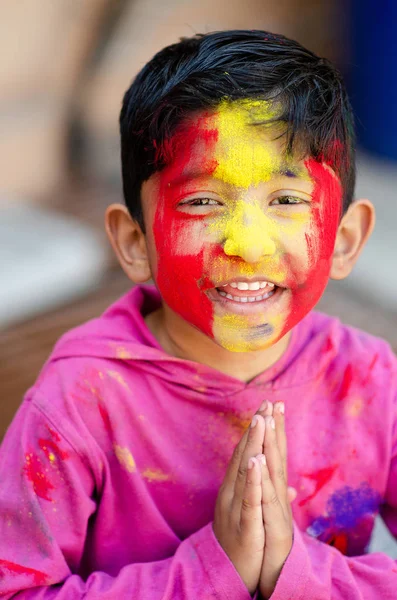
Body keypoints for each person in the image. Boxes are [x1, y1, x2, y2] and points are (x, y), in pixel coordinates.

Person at [0, 29, 395, 599]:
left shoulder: (371, 382)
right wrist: (213, 572)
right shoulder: (78, 402)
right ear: (135, 242)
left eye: (286, 201)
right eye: (203, 202)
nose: (248, 244)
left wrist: (297, 573)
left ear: (344, 239)